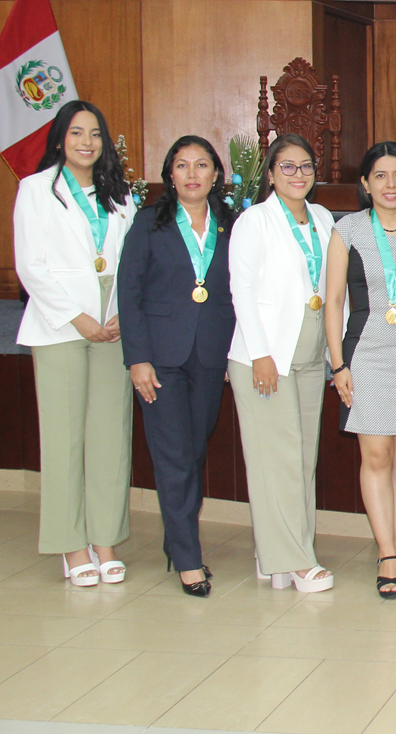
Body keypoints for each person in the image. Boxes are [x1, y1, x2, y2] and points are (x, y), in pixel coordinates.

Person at [14, 101, 135, 587]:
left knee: (109, 436)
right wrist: (77, 318)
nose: (87, 142)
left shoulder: (119, 193)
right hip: (61, 322)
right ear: (60, 138)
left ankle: (104, 538)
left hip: (114, 323)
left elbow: (130, 258)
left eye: (96, 135)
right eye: (77, 133)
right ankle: (70, 544)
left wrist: (124, 310)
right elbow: (30, 266)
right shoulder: (36, 190)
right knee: (64, 439)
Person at [118, 135, 234, 597]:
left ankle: (176, 539)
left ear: (215, 175)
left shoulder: (231, 223)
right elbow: (129, 294)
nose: (192, 174)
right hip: (160, 359)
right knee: (174, 457)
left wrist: (234, 353)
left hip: (210, 354)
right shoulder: (150, 223)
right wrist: (137, 359)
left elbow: (240, 292)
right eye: (182, 165)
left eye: (201, 165)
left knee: (194, 449)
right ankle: (188, 558)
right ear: (170, 175)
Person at [323, 142, 396, 599]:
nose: (390, 185)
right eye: (381, 176)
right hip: (366, 355)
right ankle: (385, 551)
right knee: (376, 456)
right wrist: (338, 365)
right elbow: (332, 302)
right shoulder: (346, 230)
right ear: (366, 183)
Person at [228, 133, 337, 593]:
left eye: (306, 166)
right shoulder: (254, 221)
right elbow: (243, 291)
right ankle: (294, 560)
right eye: (287, 167)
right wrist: (260, 355)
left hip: (311, 351)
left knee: (301, 457)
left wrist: (336, 353)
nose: (299, 174)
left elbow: (331, 290)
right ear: (270, 173)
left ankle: (276, 554)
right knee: (278, 458)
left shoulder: (324, 217)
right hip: (267, 355)